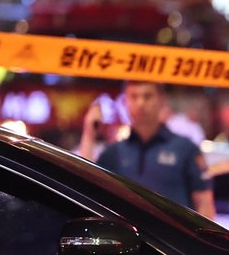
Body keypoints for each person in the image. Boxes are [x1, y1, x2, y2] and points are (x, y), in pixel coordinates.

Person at [80, 80, 215, 219]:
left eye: (147, 96)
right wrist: (89, 134)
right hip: (127, 238)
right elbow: (86, 188)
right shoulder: (113, 153)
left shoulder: (186, 149)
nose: (140, 103)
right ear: (125, 102)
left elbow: (204, 203)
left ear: (162, 100)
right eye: (134, 97)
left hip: (171, 239)